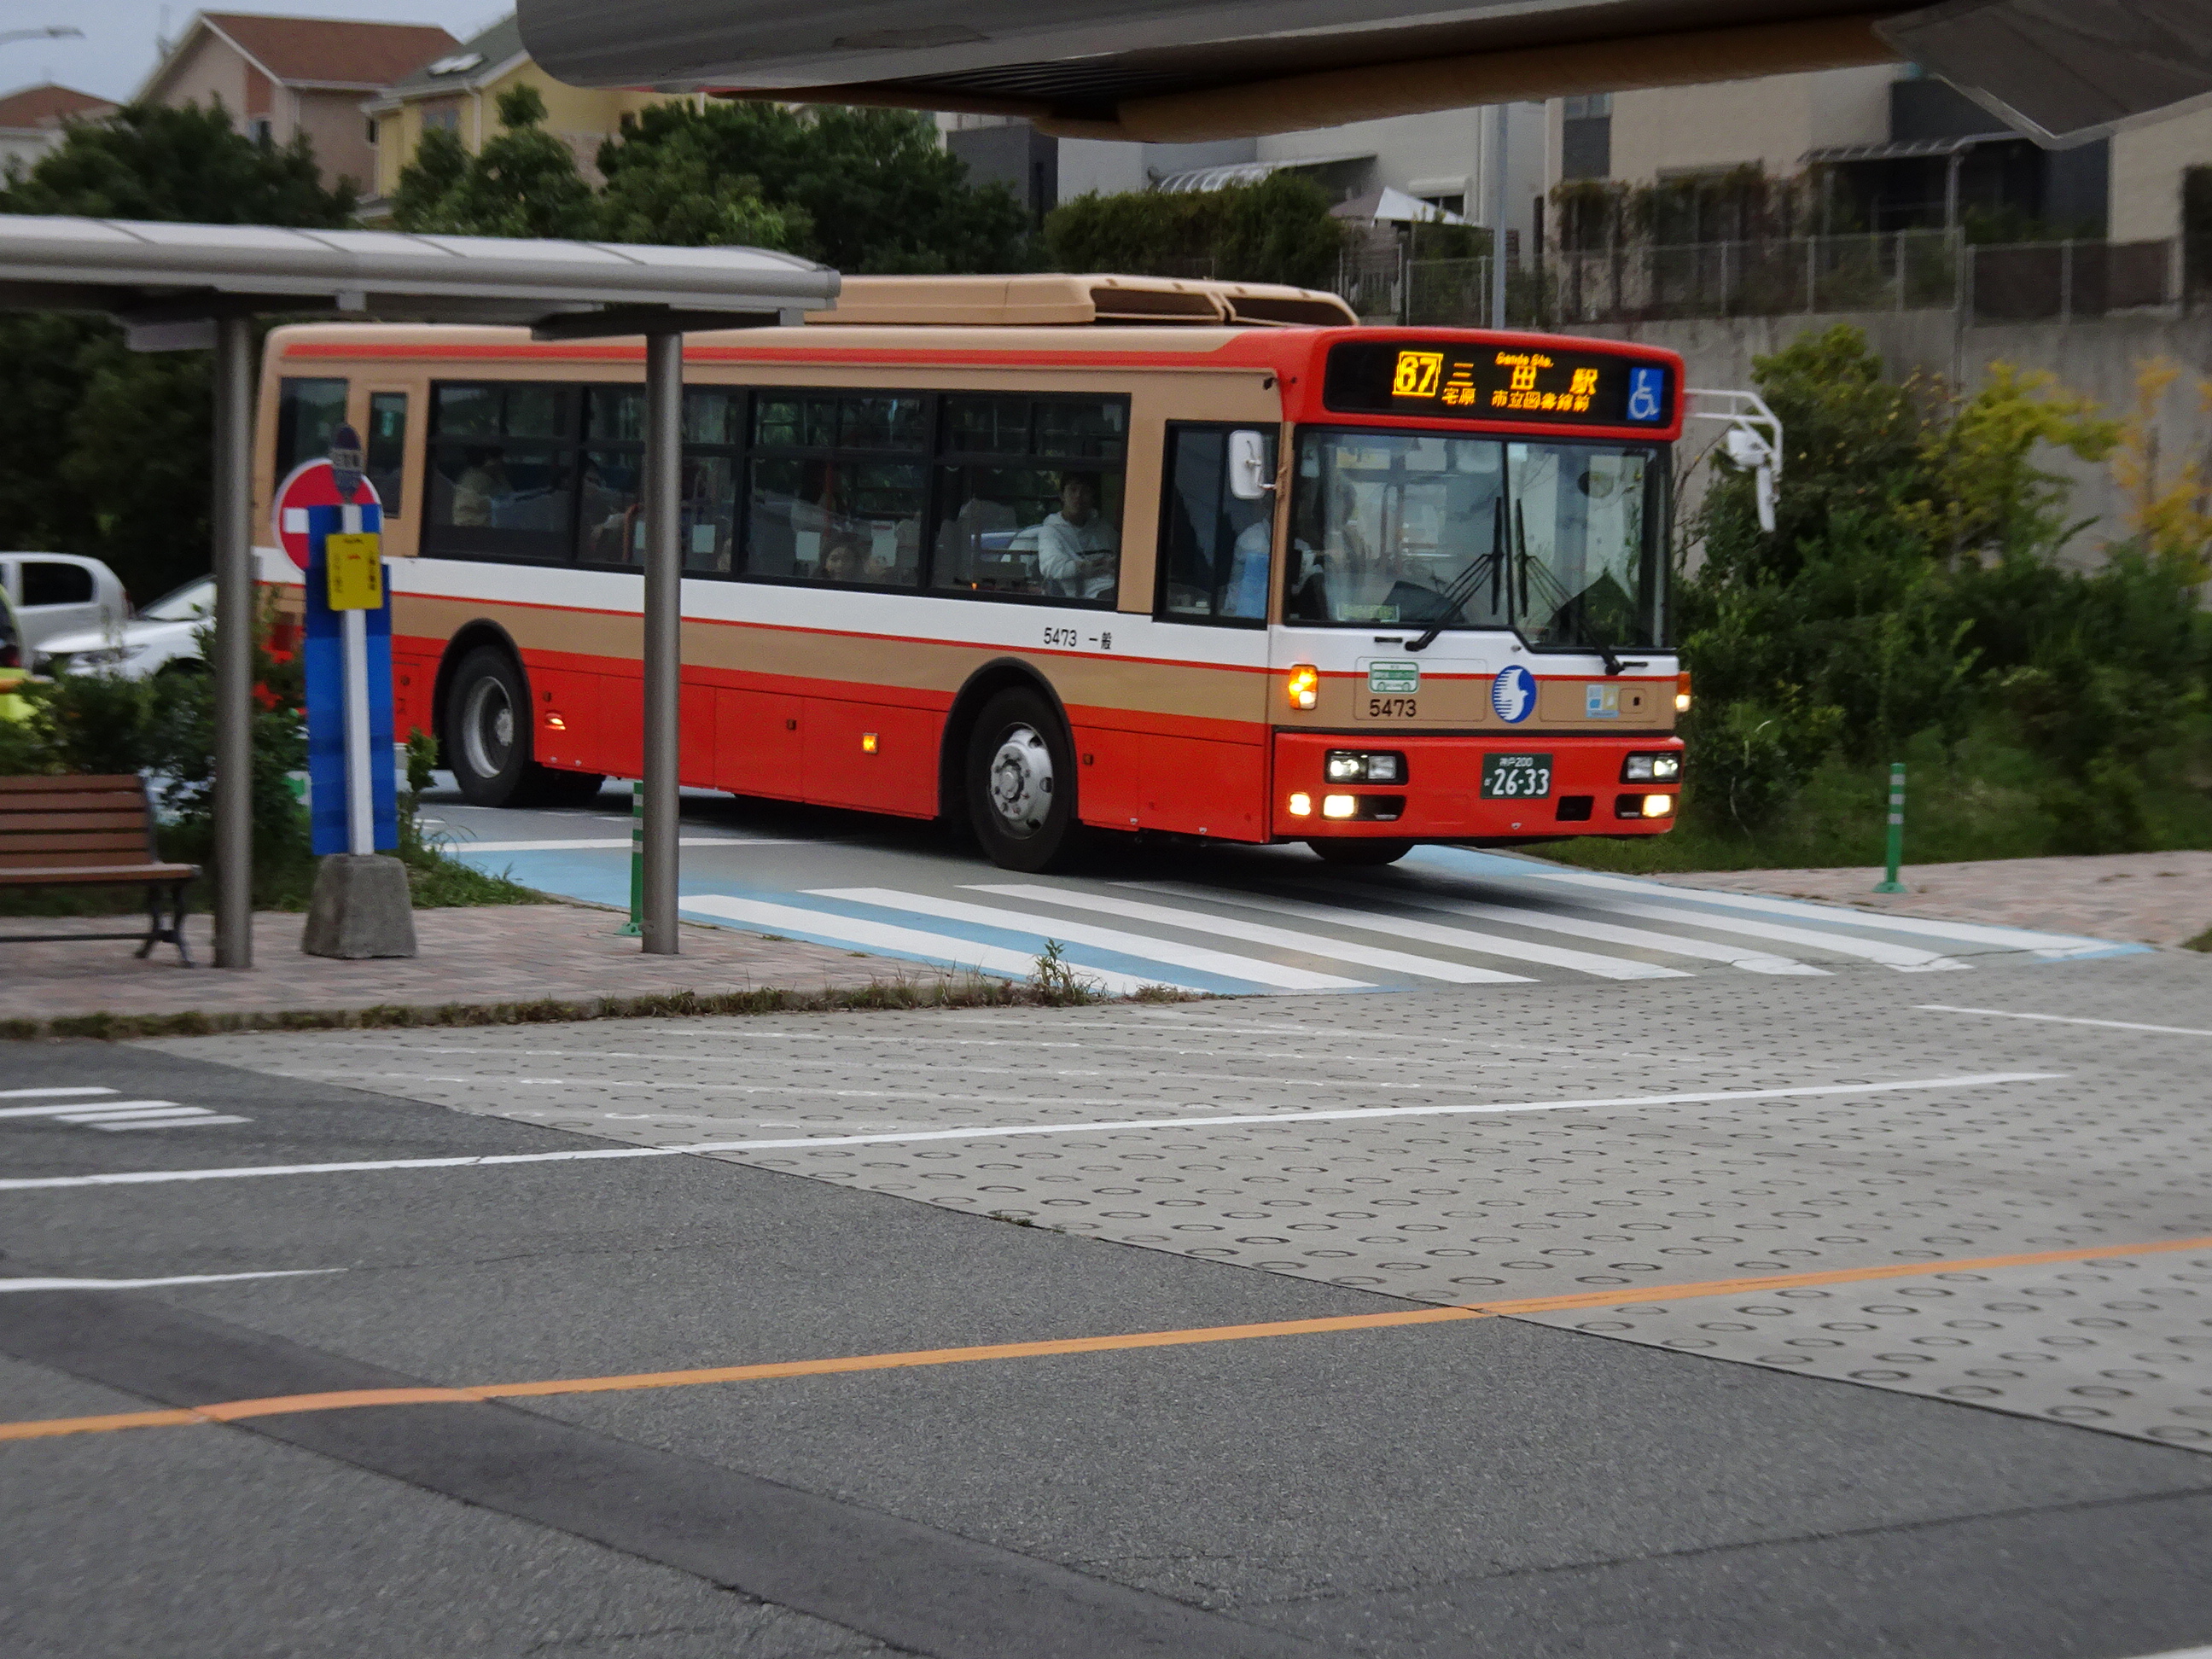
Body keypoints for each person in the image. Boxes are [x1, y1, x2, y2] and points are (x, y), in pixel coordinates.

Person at [1037, 472, 1118, 600]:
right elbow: (1054, 567)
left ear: (1092, 497)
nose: (1078, 496)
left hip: (1119, 589)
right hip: (1086, 599)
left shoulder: (1104, 529)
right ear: (1062, 496)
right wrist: (1101, 565)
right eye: (1073, 490)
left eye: (1085, 491)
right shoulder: (1051, 531)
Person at [451, 449, 509, 527]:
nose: (501, 464)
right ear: (489, 459)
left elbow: (509, 500)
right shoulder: (472, 480)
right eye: (500, 460)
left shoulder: (495, 478)